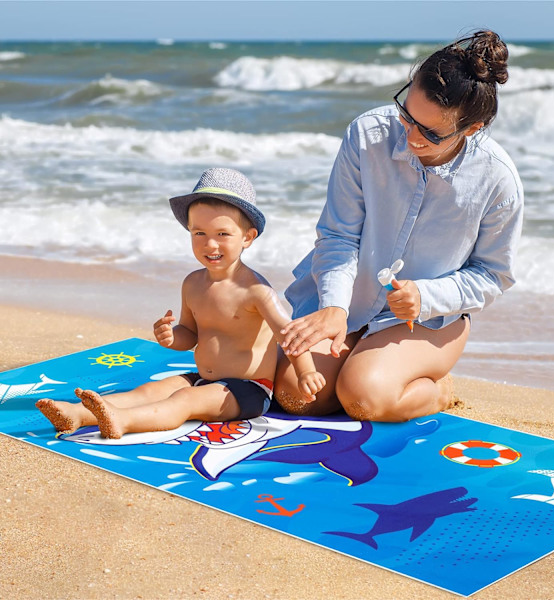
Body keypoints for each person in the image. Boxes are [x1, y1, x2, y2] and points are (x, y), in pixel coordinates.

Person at [274, 30, 524, 423]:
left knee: (363, 398)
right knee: (297, 395)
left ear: (471, 129)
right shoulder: (366, 135)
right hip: (349, 299)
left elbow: (493, 275)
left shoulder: (497, 180)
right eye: (407, 115)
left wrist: (426, 296)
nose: (409, 136)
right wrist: (335, 306)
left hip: (424, 318)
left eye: (429, 132)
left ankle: (437, 388)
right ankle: (365, 364)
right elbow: (338, 235)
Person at [36, 168, 325, 439]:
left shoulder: (256, 291)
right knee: (151, 390)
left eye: (222, 234)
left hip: (247, 390)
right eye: (199, 233)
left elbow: (290, 335)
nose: (210, 244)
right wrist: (172, 337)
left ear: (248, 237)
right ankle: (76, 414)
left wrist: (307, 372)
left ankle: (124, 421)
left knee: (184, 400)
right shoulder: (193, 283)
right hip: (202, 378)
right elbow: (190, 334)